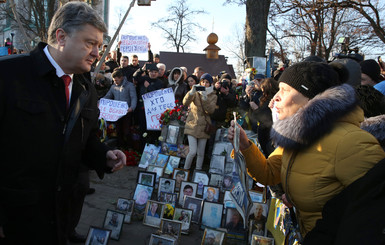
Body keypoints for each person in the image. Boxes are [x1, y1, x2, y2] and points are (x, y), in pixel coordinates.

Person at [0, 3, 126, 245]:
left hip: (60, 218)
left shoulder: (85, 87)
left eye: (100, 45)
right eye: (90, 43)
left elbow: (82, 137)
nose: (97, 53)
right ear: (61, 37)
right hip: (15, 219)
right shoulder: (8, 76)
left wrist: (104, 155)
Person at [228, 61, 385, 239]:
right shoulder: (295, 135)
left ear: (311, 99)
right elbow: (269, 173)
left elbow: (370, 222)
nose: (275, 98)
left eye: (285, 90)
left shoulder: (351, 143)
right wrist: (245, 145)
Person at [183, 73, 218, 170]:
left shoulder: (213, 95)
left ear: (210, 84)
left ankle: (197, 173)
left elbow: (210, 110)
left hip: (204, 126)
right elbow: (185, 103)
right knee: (192, 151)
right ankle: (185, 171)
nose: (205, 84)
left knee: (201, 153)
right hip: (192, 124)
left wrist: (205, 98)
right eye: (203, 81)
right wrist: (191, 92)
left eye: (207, 82)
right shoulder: (195, 91)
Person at [103, 69, 137, 148]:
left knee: (126, 131)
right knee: (118, 131)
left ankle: (130, 148)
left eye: (116, 80)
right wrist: (100, 102)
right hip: (116, 113)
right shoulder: (113, 87)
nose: (115, 82)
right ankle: (121, 147)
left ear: (121, 77)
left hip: (127, 112)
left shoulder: (130, 86)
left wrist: (132, 108)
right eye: (114, 80)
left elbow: (133, 98)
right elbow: (108, 96)